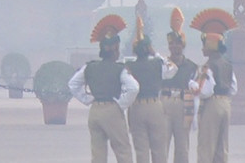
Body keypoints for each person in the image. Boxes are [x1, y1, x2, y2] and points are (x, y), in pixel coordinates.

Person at [70, 25, 138, 163]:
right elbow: (134, 88)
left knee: (98, 154)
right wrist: (121, 104)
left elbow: (73, 84)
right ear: (115, 50)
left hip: (95, 111)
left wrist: (87, 99)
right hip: (112, 109)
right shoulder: (119, 69)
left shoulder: (89, 67)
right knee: (123, 150)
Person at [124, 19, 176, 163]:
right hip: (155, 106)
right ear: (148, 48)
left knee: (141, 150)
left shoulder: (129, 66)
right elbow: (173, 69)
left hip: (137, 106)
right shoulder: (157, 64)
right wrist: (156, 53)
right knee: (159, 148)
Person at [161, 10, 199, 163]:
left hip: (184, 104)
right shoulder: (163, 65)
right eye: (172, 44)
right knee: (162, 144)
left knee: (182, 145)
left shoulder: (191, 66)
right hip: (165, 102)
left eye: (178, 43)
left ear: (183, 45)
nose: (175, 47)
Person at [193, 33, 237, 163]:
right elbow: (234, 88)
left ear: (210, 47)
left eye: (204, 46)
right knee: (222, 146)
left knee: (206, 145)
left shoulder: (208, 66)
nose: (202, 49)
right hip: (226, 103)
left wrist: (195, 90)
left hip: (212, 104)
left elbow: (206, 91)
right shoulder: (228, 65)